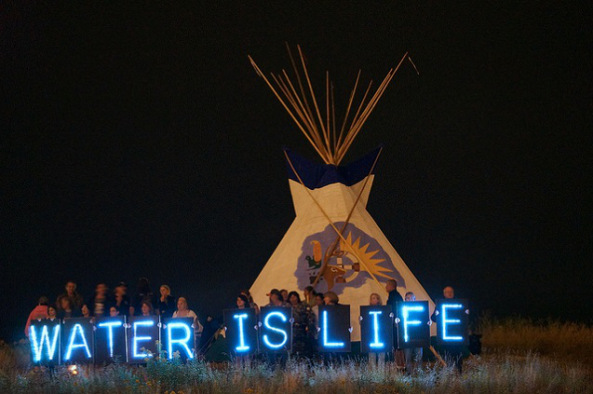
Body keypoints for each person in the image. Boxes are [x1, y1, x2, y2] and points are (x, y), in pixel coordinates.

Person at [431, 286, 464, 373]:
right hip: (446, 335)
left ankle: (459, 371)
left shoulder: (459, 304)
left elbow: (465, 317)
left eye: (451, 292)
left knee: (458, 354)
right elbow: (433, 318)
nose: (449, 294)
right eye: (447, 292)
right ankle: (449, 372)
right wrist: (437, 315)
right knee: (448, 354)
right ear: (444, 294)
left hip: (457, 335)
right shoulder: (440, 304)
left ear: (453, 293)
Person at [288, 291, 314, 356]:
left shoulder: (304, 306)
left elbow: (310, 317)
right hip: (291, 330)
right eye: (291, 297)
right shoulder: (287, 307)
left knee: (303, 347)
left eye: (294, 297)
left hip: (302, 329)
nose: (293, 299)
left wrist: (309, 326)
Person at [403, 291, 423, 373]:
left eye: (411, 298)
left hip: (418, 337)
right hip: (407, 337)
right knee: (408, 357)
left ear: (415, 299)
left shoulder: (420, 308)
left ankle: (419, 372)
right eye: (408, 298)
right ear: (405, 300)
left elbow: (424, 319)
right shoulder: (402, 309)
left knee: (419, 356)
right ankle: (409, 373)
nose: (410, 300)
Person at [368, 293, 385, 369]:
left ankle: (381, 373)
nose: (373, 300)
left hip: (381, 335)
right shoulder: (366, 310)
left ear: (378, 299)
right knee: (372, 355)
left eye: (375, 298)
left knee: (381, 355)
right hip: (371, 336)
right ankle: (373, 373)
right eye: (372, 298)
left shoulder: (383, 309)